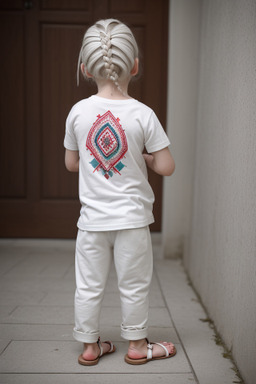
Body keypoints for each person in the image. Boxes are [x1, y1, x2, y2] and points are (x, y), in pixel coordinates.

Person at [64, 18, 176, 366]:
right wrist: (143, 157)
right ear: (136, 65)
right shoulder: (144, 115)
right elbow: (166, 166)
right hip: (131, 220)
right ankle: (138, 346)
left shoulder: (78, 113)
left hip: (92, 223)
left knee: (88, 286)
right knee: (134, 284)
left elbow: (71, 164)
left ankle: (89, 346)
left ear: (84, 68)